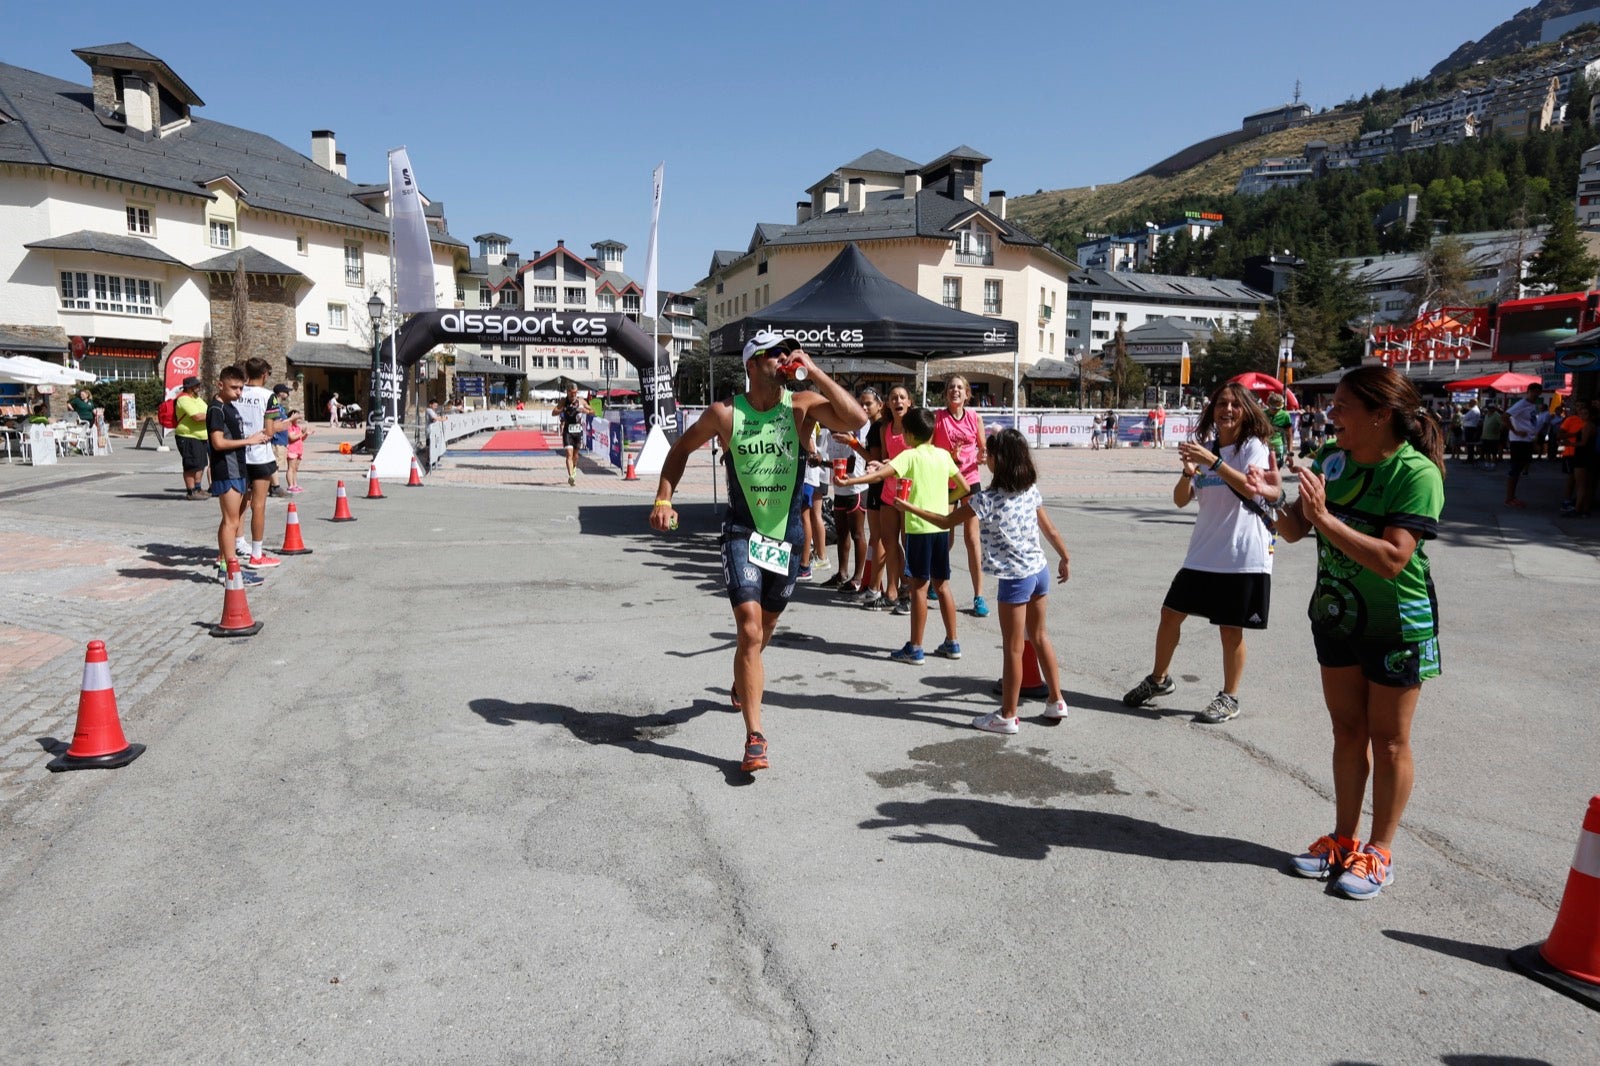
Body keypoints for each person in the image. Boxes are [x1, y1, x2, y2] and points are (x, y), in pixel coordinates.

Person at [648, 330, 865, 774]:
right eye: (776, 353)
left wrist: (814, 370)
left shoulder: (801, 405)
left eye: (789, 352)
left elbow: (855, 418)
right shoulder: (725, 414)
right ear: (752, 363)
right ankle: (755, 736)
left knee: (764, 629)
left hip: (786, 538)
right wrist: (664, 498)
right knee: (749, 631)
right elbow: (680, 450)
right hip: (742, 532)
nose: (785, 358)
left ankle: (740, 681)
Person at [1276, 365, 1446, 901]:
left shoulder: (1416, 474)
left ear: (1381, 415)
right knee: (1346, 733)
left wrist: (1325, 520)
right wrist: (1272, 495)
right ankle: (1342, 837)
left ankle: (1379, 851)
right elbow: (1295, 530)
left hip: (1397, 624)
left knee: (1390, 741)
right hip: (1336, 616)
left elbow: (1395, 559)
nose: (1333, 414)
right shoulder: (1333, 459)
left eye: (1345, 405)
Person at [1122, 381, 1281, 724]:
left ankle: (1229, 696)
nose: (1227, 409)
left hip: (1242, 553)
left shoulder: (1252, 447)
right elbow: (1181, 499)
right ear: (1211, 411)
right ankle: (1159, 680)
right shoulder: (1204, 449)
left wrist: (1214, 461)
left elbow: (1253, 490)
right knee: (1170, 614)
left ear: (1246, 410)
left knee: (1230, 628)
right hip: (1203, 552)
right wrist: (1188, 471)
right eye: (1221, 403)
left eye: (1234, 404)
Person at [892, 427, 1072, 732]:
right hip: (1039, 571)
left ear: (1001, 460)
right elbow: (1050, 530)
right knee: (1040, 637)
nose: (985, 456)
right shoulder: (1030, 489)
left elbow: (946, 520)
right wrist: (1065, 557)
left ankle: (1008, 715)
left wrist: (908, 506)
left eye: (989, 453)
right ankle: (1057, 700)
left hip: (1015, 580)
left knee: (1014, 648)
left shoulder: (985, 500)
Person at [839, 406, 968, 665]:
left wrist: (847, 483)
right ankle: (952, 642)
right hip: (940, 529)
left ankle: (916, 647)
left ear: (909, 435)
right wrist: (945, 502)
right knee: (942, 585)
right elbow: (963, 488)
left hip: (919, 530)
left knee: (918, 588)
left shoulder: (909, 456)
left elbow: (877, 475)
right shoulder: (943, 455)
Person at [932, 375, 989, 617]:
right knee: (945, 535)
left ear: (967, 394)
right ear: (946, 393)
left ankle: (979, 596)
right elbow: (930, 449)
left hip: (969, 481)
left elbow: (982, 450)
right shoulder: (938, 418)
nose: (955, 391)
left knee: (972, 538)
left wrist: (982, 456)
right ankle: (940, 579)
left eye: (960, 388)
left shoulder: (975, 418)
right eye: (951, 388)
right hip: (945, 481)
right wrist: (949, 456)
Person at [208, 366, 267, 587]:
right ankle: (231, 570)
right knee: (231, 522)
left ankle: (227, 565)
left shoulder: (229, 406)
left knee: (230, 520)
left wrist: (251, 438)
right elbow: (218, 443)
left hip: (238, 469)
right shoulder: (216, 409)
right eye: (234, 388)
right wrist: (248, 441)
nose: (239, 392)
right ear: (220, 384)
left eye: (241, 388)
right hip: (227, 470)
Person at [864, 385, 912, 613]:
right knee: (889, 541)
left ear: (909, 402)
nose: (898, 401)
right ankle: (892, 591)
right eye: (894, 398)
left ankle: (909, 591)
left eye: (902, 397)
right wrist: (878, 465)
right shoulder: (885, 428)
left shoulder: (915, 428)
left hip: (910, 492)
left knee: (907, 542)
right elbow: (885, 459)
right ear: (888, 404)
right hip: (888, 491)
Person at [844, 388, 891, 608]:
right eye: (861, 404)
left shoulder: (878, 428)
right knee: (880, 538)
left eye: (868, 404)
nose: (863, 408)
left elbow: (874, 459)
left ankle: (875, 587)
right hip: (878, 484)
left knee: (878, 538)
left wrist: (853, 444)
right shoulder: (878, 426)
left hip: (879, 485)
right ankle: (874, 585)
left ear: (880, 405)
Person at [234, 358, 281, 569]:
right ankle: (256, 553)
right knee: (259, 505)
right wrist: (286, 425)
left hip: (237, 453)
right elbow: (270, 430)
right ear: (264, 374)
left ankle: (234, 544)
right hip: (259, 455)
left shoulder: (237, 391)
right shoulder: (268, 396)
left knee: (238, 503)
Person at [822, 413, 870, 594]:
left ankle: (858, 578)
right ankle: (842, 574)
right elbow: (834, 462)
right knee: (841, 532)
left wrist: (823, 463)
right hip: (840, 489)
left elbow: (848, 466)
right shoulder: (829, 435)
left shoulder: (851, 435)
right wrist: (822, 462)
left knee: (857, 534)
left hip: (856, 488)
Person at [1503, 383, 1544, 508]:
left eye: (1538, 392)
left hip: (1527, 440)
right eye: (1534, 392)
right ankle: (1509, 498)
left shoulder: (1532, 405)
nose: (1536, 395)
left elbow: (1530, 423)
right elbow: (1505, 416)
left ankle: (1513, 496)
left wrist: (1534, 439)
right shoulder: (1521, 404)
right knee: (1515, 469)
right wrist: (1515, 431)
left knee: (1520, 469)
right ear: (1528, 391)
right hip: (1518, 441)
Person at [173, 375, 210, 500]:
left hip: (200, 437)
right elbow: (197, 417)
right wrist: (214, 414)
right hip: (187, 436)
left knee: (201, 464)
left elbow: (206, 411)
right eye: (196, 385)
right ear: (189, 387)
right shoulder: (183, 399)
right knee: (191, 465)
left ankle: (198, 488)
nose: (198, 387)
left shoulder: (196, 398)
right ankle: (191, 491)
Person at [554, 383, 585, 486]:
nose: (573, 395)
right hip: (567, 430)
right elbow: (553, 412)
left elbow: (592, 411)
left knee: (575, 456)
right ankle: (571, 476)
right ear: (567, 392)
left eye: (575, 393)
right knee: (569, 454)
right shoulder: (563, 401)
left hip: (577, 431)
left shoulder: (580, 401)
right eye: (571, 393)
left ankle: (574, 467)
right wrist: (562, 409)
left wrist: (584, 410)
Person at [267, 383, 292, 498]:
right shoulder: (275, 405)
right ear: (280, 393)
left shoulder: (279, 406)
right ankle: (274, 487)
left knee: (277, 464)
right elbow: (276, 423)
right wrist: (292, 418)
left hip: (282, 439)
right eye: (286, 391)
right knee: (275, 464)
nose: (288, 393)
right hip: (277, 440)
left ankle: (271, 486)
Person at [284, 411, 311, 492]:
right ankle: (290, 485)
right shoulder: (289, 427)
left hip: (299, 450)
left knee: (295, 469)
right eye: (296, 417)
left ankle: (295, 484)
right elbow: (292, 438)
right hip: (292, 450)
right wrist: (301, 433)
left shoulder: (297, 427)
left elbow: (301, 438)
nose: (298, 419)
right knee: (291, 468)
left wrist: (306, 434)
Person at [1266, 391, 1294, 468]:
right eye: (1274, 408)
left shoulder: (1285, 415)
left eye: (1280, 408)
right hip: (1264, 447)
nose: (1277, 411)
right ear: (1268, 404)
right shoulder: (1262, 414)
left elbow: (1289, 436)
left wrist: (1290, 454)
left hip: (1278, 447)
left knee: (1274, 472)